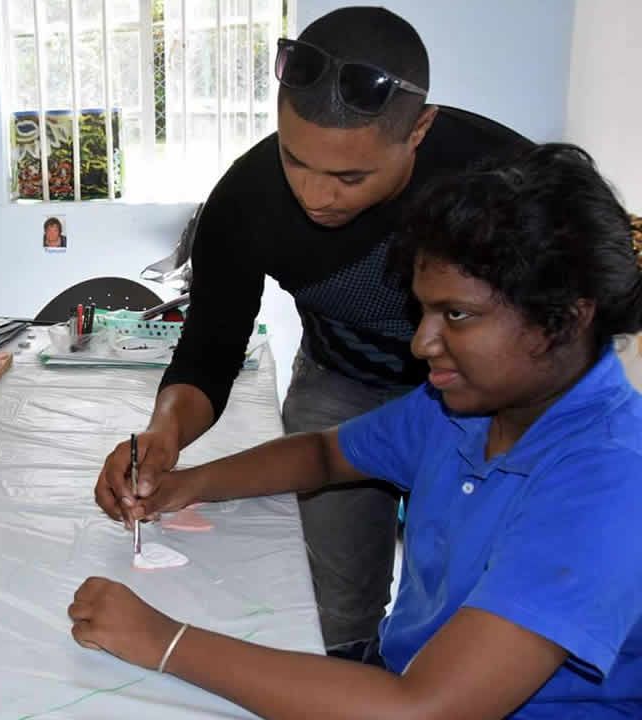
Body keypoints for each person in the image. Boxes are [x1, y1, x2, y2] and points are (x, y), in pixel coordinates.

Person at [75, 144, 642, 718]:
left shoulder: (610, 479)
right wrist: (185, 484)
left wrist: (166, 642)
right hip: (409, 674)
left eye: (457, 315)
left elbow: (427, 710)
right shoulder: (459, 410)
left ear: (567, 319)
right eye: (422, 312)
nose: (421, 343)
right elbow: (325, 454)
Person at [95, 6, 532, 650]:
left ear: (419, 130)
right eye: (295, 159)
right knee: (335, 602)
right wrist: (165, 435)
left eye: (350, 177)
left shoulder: (503, 179)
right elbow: (211, 350)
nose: (315, 195)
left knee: (472, 602)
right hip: (343, 385)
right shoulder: (247, 200)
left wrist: (175, 649)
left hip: (481, 403)